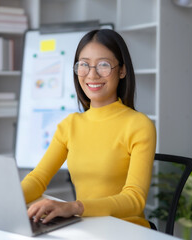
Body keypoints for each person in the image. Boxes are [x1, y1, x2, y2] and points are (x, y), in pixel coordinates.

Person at [21, 29, 156, 228]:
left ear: (122, 70)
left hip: (127, 230)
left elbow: (134, 199)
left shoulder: (138, 125)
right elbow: (38, 178)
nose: (92, 74)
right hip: (86, 228)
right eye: (84, 65)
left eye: (103, 65)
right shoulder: (70, 124)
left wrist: (75, 207)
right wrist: (3, 200)